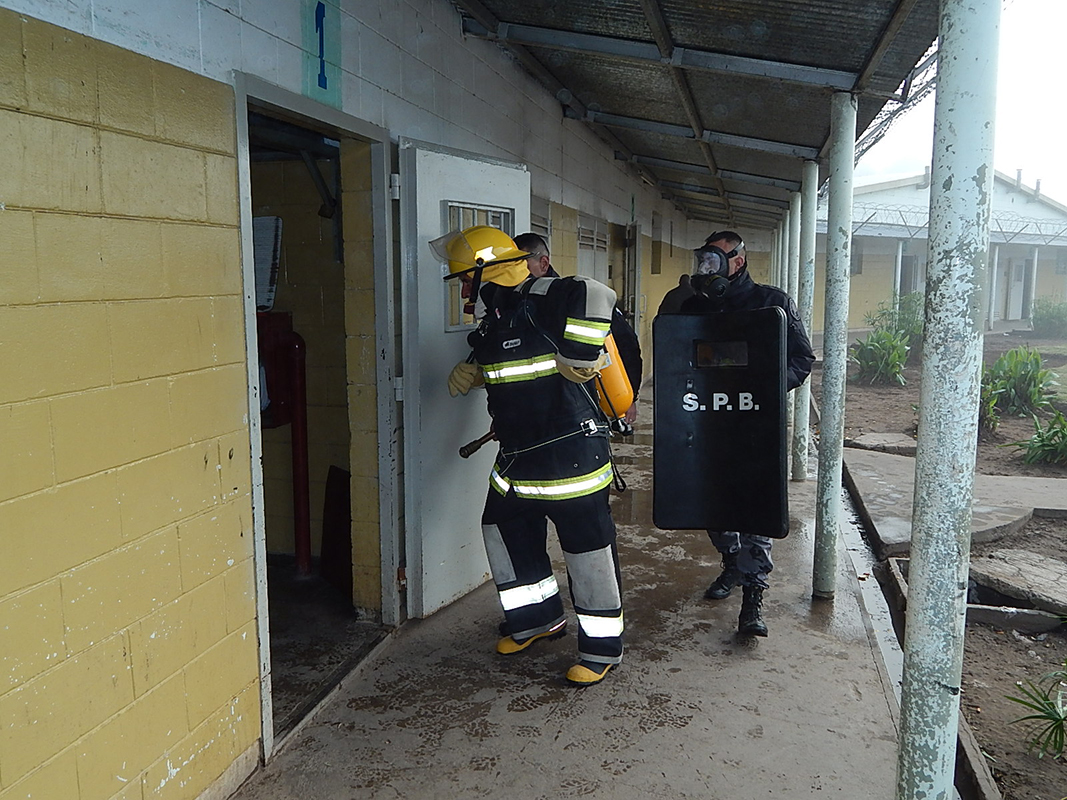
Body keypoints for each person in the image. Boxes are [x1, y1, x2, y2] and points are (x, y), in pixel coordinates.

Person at [431, 225, 625, 686]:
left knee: (587, 552)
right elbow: (518, 365)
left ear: (488, 272)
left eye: (464, 278)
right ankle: (537, 620)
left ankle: (601, 649)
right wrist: (478, 370)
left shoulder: (542, 294)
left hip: (569, 458)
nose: (462, 288)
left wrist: (581, 351)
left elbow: (597, 293)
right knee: (502, 529)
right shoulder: (498, 315)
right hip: (518, 456)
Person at [680, 230, 815, 637]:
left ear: (739, 260)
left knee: (755, 509)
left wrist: (768, 387)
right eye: (704, 259)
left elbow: (802, 358)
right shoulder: (693, 307)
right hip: (710, 425)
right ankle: (731, 564)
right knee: (715, 507)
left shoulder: (772, 303)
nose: (708, 267)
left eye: (717, 259)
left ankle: (754, 597)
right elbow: (677, 360)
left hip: (756, 426)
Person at [514, 232, 642, 426]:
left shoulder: (575, 300)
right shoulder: (514, 304)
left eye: (522, 267)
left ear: (543, 264)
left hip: (578, 411)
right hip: (535, 414)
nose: (515, 276)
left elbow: (627, 346)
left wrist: (630, 396)